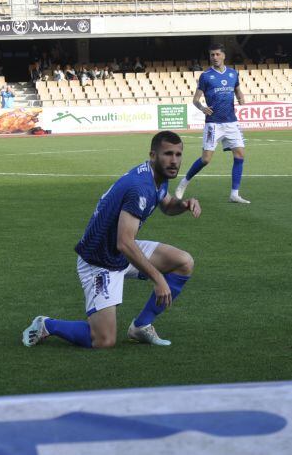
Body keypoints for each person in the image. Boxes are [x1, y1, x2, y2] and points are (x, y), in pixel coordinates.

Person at [21, 131, 201, 349]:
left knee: (184, 262)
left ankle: (140, 327)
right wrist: (158, 279)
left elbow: (167, 205)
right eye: (168, 154)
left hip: (119, 252)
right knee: (103, 340)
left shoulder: (157, 177)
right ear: (153, 155)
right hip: (100, 260)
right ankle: (47, 324)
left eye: (178, 154)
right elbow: (124, 243)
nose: (174, 161)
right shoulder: (140, 187)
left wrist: (183, 205)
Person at [175, 44, 249, 204]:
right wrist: (202, 108)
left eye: (217, 54)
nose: (214, 57)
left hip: (231, 122)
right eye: (212, 55)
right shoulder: (206, 76)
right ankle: (184, 182)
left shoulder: (233, 73)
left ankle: (234, 194)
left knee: (240, 155)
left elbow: (237, 90)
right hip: (213, 124)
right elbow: (195, 100)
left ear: (223, 56)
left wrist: (241, 98)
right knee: (206, 159)